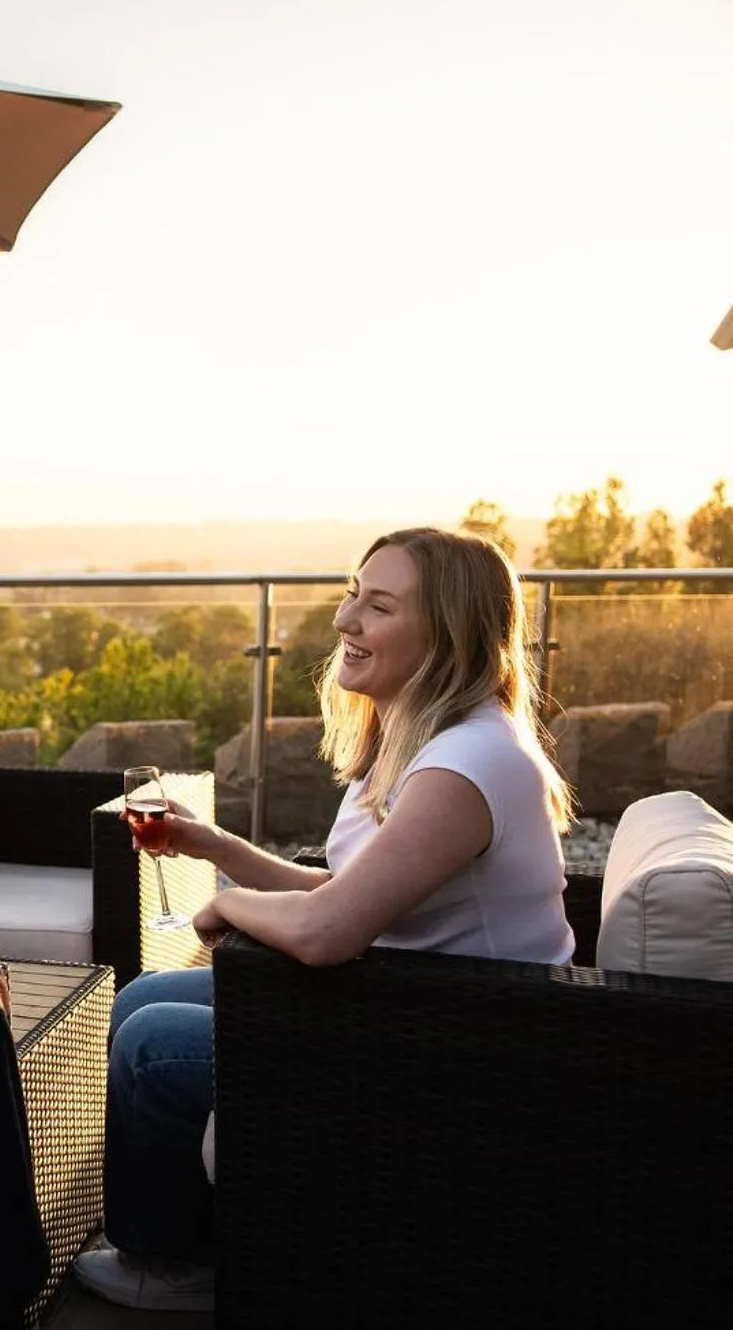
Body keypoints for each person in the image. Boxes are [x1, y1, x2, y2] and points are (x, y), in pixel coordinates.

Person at [71, 527, 576, 1313]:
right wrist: (215, 845)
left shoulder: (463, 765)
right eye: (352, 593)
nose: (346, 619)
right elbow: (349, 889)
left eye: (379, 606)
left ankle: (173, 1263)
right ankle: (188, 1236)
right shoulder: (428, 738)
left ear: (447, 633)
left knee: (148, 1045)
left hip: (464, 1045)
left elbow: (327, 928)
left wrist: (225, 904)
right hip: (416, 1000)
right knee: (142, 1000)